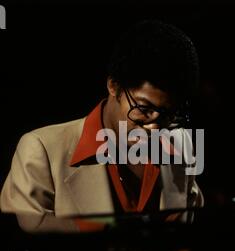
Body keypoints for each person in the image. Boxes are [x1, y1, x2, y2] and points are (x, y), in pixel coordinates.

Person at [0, 20, 203, 232]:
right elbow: (23, 246)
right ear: (113, 85)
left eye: (169, 115)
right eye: (143, 109)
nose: (154, 127)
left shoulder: (180, 143)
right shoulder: (40, 149)